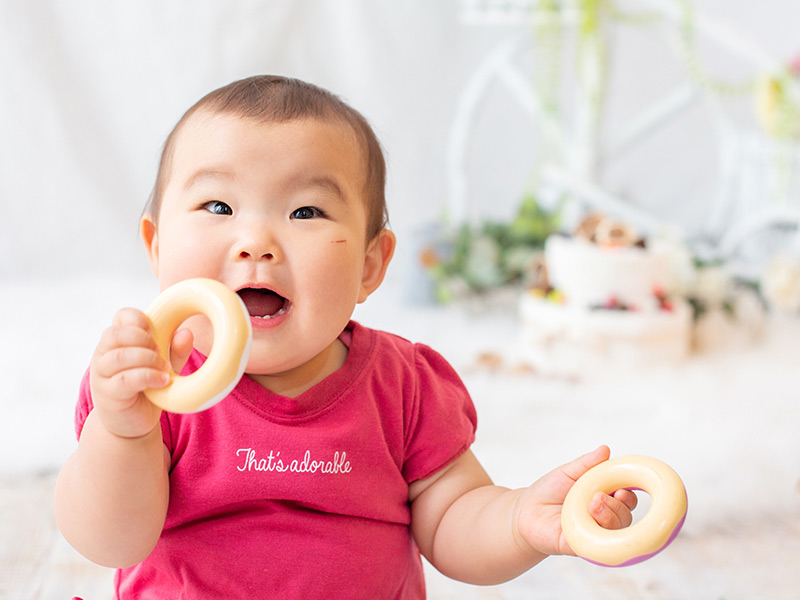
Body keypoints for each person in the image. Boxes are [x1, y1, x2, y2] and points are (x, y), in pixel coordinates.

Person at [54, 75, 636, 599]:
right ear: (157, 247)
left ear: (369, 265)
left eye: (306, 212)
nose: (255, 241)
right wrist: (123, 432)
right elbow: (109, 542)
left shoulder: (403, 385)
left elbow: (454, 518)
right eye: (218, 205)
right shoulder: (147, 382)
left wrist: (519, 521)